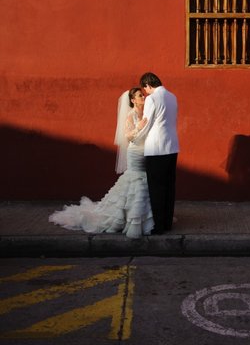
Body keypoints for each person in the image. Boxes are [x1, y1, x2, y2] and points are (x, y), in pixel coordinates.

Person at [49, 87, 154, 238]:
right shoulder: (131, 116)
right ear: (132, 100)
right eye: (140, 95)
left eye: (143, 95)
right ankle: (127, 219)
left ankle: (144, 217)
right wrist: (139, 127)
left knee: (144, 182)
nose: (143, 97)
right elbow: (128, 137)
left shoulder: (145, 114)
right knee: (135, 181)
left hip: (145, 151)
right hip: (134, 152)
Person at [137, 72, 179, 234]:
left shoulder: (152, 99)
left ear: (148, 85)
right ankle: (167, 222)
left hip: (156, 147)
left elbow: (147, 123)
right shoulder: (172, 96)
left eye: (145, 89)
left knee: (156, 188)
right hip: (172, 145)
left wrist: (135, 138)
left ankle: (159, 226)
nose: (145, 92)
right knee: (169, 186)